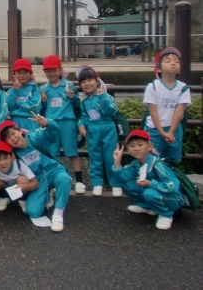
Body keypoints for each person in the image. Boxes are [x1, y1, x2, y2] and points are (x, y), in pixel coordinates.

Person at [0, 117, 73, 232]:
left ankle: (58, 214)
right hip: (38, 179)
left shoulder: (35, 138)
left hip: (53, 170)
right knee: (32, 212)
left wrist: (48, 123)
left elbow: (53, 133)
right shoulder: (13, 153)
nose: (13, 139)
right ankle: (47, 193)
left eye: (13, 133)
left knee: (64, 178)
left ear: (19, 130)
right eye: (8, 138)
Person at [113, 130, 184, 230]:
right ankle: (147, 206)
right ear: (128, 149)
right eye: (132, 146)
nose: (136, 148)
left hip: (174, 198)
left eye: (140, 145)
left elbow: (173, 186)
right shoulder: (136, 164)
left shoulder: (157, 164)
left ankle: (166, 214)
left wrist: (150, 183)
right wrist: (117, 161)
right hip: (157, 194)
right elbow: (121, 178)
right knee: (127, 182)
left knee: (148, 193)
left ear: (150, 146)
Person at [40, 55, 86, 194]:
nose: (52, 73)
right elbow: (41, 109)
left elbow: (78, 105)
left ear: (60, 69)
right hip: (51, 124)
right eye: (48, 71)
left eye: (54, 70)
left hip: (68, 122)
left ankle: (79, 181)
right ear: (44, 72)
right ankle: (52, 182)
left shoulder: (68, 85)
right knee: (51, 154)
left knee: (72, 152)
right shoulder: (44, 88)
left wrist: (73, 97)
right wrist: (42, 101)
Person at [76, 66, 123, 197]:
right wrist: (81, 125)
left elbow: (111, 111)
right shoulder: (84, 102)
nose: (87, 83)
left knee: (110, 157)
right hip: (93, 131)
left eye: (90, 79)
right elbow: (84, 117)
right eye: (83, 81)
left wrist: (103, 98)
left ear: (97, 81)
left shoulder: (105, 96)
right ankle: (97, 183)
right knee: (95, 157)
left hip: (108, 128)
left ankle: (115, 184)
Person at [143, 47, 191, 164]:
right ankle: (153, 182)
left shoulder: (183, 88)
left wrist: (170, 132)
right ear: (158, 68)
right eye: (168, 61)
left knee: (172, 160)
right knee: (152, 158)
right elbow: (152, 111)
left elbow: (180, 111)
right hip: (154, 128)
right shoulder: (153, 86)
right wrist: (162, 132)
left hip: (174, 129)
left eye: (177, 61)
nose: (173, 63)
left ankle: (170, 181)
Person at [0, 141, 39, 214]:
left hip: (19, 187)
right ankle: (4, 197)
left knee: (23, 179)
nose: (2, 163)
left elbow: (36, 183)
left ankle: (23, 199)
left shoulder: (19, 165)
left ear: (12, 157)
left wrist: (24, 187)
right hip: (5, 187)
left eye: (5, 158)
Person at [6, 58, 41, 132]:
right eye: (19, 72)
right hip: (16, 121)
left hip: (31, 121)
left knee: (31, 142)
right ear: (14, 74)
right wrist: (15, 91)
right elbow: (9, 106)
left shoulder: (35, 88)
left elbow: (35, 106)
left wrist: (19, 103)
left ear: (30, 73)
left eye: (25, 72)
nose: (22, 75)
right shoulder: (12, 91)